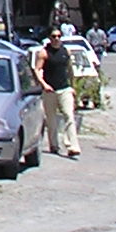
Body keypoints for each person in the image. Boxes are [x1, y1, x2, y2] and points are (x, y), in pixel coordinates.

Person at [34, 30, 80, 158]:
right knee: (51, 119)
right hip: (50, 91)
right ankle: (54, 145)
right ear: (49, 38)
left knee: (69, 116)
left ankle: (72, 146)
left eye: (59, 36)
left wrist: (72, 86)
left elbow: (70, 70)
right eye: (54, 36)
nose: (56, 38)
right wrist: (44, 84)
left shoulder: (65, 51)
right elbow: (37, 70)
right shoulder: (44, 52)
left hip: (64, 89)